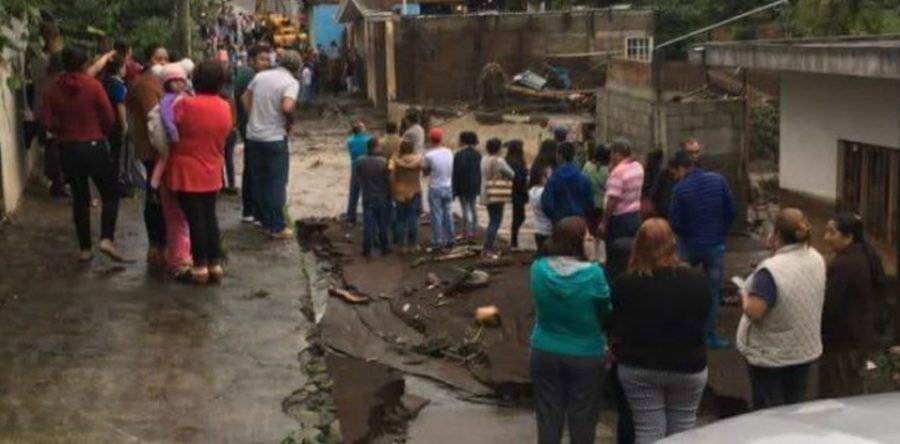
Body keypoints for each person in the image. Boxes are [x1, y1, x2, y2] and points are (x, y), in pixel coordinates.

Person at [611, 218, 711, 443]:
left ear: (638, 245)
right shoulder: (697, 279)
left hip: (640, 365)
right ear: (672, 243)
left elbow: (616, 322)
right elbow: (704, 316)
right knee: (683, 431)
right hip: (688, 365)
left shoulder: (625, 282)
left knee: (648, 430)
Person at [529, 216, 611, 444]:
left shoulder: (538, 269)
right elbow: (605, 311)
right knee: (583, 418)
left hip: (544, 348)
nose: (591, 240)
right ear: (578, 242)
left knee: (548, 417)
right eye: (588, 237)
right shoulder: (594, 274)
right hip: (586, 352)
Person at [41, 46, 125, 262]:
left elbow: (47, 122)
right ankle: (106, 238)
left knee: (80, 197)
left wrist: (63, 131)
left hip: (68, 147)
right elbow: (108, 116)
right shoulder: (93, 86)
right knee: (110, 192)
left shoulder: (51, 89)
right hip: (94, 144)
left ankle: (85, 248)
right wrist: (100, 131)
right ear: (84, 64)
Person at [736, 208, 826, 410]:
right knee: (794, 409)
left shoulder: (771, 270)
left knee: (770, 415)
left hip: (769, 356)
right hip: (803, 350)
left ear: (776, 235)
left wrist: (744, 295)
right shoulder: (816, 258)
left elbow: (755, 311)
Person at [166, 60, 233, 285]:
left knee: (195, 218)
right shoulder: (225, 106)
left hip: (186, 169)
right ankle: (214, 264)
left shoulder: (185, 104)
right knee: (209, 216)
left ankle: (199, 266)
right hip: (212, 168)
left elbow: (169, 128)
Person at [669, 150, 737, 349]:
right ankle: (710, 335)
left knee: (682, 288)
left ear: (681, 168)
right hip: (715, 244)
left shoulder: (679, 189)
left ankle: (684, 333)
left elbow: (675, 222)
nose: (675, 177)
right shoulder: (719, 181)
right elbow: (731, 210)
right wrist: (721, 230)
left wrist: (685, 234)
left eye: (675, 173)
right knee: (712, 291)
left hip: (688, 245)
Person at [820, 213, 887, 398]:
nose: (826, 237)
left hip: (843, 342)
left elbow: (830, 307)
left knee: (841, 393)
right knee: (854, 386)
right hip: (860, 337)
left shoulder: (844, 265)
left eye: (832, 232)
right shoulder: (864, 256)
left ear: (848, 236)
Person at [241, 49, 301, 239]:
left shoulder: (261, 76)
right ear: (297, 68)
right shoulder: (291, 82)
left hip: (253, 136)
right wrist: (290, 122)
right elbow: (287, 107)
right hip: (274, 138)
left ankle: (262, 220)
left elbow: (244, 98)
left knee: (258, 180)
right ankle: (277, 226)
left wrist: (253, 117)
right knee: (275, 182)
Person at [126, 44, 167, 265]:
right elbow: (153, 119)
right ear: (149, 60)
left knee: (159, 197)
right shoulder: (145, 85)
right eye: (158, 59)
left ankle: (162, 244)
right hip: (153, 150)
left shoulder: (160, 82)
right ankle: (157, 244)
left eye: (166, 59)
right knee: (156, 198)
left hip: (159, 149)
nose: (163, 63)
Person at [234, 45, 271, 224]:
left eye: (267, 59)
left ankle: (251, 209)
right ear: (251, 60)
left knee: (252, 169)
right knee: (254, 170)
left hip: (250, 128)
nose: (266, 63)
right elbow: (245, 102)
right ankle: (252, 210)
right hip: (251, 129)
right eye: (262, 59)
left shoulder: (250, 75)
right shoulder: (249, 77)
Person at [600, 139, 644, 251]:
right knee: (631, 250)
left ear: (617, 153)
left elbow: (612, 200)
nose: (610, 156)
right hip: (635, 215)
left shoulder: (618, 172)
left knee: (616, 250)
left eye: (612, 153)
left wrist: (604, 222)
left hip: (619, 219)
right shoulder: (638, 167)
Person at [541, 142, 594, 224]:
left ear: (560, 156)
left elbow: (547, 205)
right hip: (579, 221)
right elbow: (590, 204)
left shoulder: (553, 179)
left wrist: (555, 217)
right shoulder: (584, 179)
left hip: (560, 222)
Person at [356, 138, 391, 257]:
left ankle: (367, 249)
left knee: (368, 224)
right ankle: (384, 248)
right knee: (382, 224)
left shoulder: (360, 161)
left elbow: (358, 178)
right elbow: (387, 179)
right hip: (381, 196)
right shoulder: (383, 162)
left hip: (367, 196)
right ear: (375, 147)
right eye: (379, 146)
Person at [481, 138, 515, 254]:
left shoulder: (484, 159)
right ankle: (488, 247)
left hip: (486, 192)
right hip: (497, 193)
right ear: (498, 148)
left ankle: (487, 245)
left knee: (492, 219)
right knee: (496, 221)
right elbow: (511, 174)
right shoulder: (499, 161)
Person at [423, 128, 455, 250]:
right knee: (448, 213)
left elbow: (425, 172)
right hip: (448, 186)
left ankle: (437, 239)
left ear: (430, 139)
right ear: (441, 138)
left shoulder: (429, 155)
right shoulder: (449, 152)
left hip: (435, 187)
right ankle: (450, 239)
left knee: (436, 215)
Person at [389, 140, 423, 253]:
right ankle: (412, 245)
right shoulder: (418, 159)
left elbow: (391, 176)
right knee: (413, 219)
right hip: (414, 191)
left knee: (401, 220)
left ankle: (401, 245)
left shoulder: (395, 160)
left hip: (400, 193)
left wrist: (392, 190)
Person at [101, 55, 128, 193]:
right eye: (124, 67)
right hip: (116, 123)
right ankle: (116, 182)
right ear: (119, 69)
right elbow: (120, 105)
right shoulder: (117, 85)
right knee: (117, 154)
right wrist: (124, 125)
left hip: (106, 122)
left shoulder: (104, 82)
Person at [452, 131, 482, 243]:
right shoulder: (478, 155)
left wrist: (454, 189)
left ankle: (465, 232)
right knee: (473, 208)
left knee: (465, 209)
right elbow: (480, 172)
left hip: (462, 186)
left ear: (463, 141)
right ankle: (473, 232)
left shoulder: (459, 155)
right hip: (474, 186)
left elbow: (455, 174)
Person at [582, 144, 609, 261]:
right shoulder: (607, 170)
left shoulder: (587, 166)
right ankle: (601, 256)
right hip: (603, 205)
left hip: (589, 203)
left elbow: (583, 182)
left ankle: (592, 255)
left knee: (591, 230)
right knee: (601, 231)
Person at [344, 122, 371, 225]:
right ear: (361, 129)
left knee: (354, 192)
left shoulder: (349, 140)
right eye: (363, 127)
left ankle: (351, 215)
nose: (365, 128)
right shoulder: (368, 139)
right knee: (367, 192)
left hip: (355, 165)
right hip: (366, 165)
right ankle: (367, 215)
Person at [506, 140, 528, 250]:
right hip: (518, 191)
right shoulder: (516, 161)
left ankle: (514, 241)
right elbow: (518, 176)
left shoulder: (510, 159)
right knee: (519, 216)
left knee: (518, 216)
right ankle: (513, 242)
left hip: (516, 191)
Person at [529, 166, 552, 254]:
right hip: (547, 229)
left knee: (541, 252)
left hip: (538, 228)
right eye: (550, 176)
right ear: (542, 178)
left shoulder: (532, 191)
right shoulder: (544, 192)